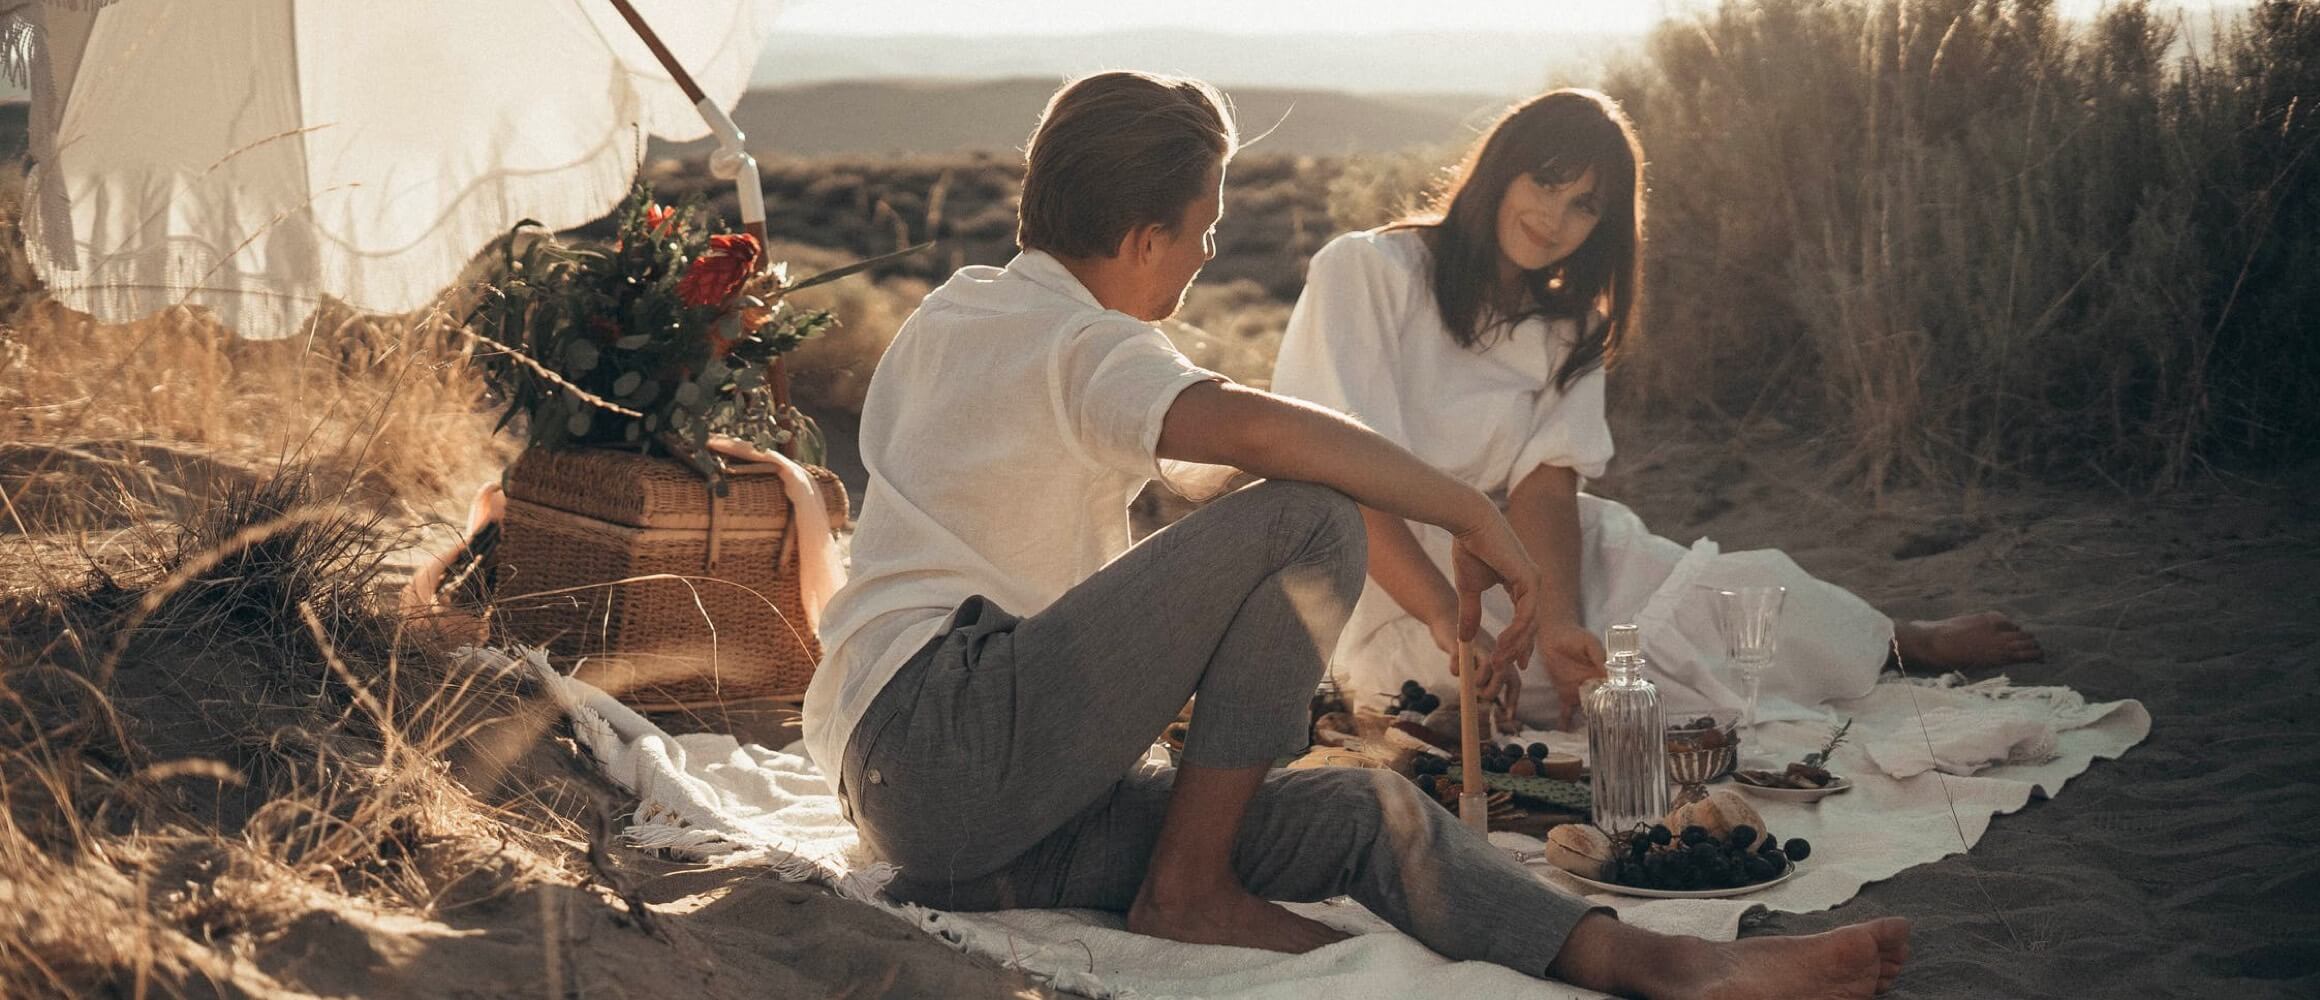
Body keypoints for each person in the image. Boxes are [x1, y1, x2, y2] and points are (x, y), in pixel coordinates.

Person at [803, 71, 1910, 996]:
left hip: (968, 818)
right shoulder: (1077, 342)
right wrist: (1466, 508)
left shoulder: (959, 310)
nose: (1204, 257)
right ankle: (1189, 891)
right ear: (1144, 238)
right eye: (1203, 231)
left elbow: (1200, 471)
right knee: (1308, 516)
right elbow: (1262, 442)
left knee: (1358, 808)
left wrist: (1440, 590)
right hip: (947, 740)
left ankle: (1655, 964)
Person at [1271, 89, 2043, 732]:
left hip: (1532, 561)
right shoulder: (1369, 270)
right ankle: (1866, 649)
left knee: (1713, 606)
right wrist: (1447, 615)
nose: (1555, 217)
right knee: (1521, 687)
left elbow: (1545, 489)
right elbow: (1341, 472)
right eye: (1545, 181)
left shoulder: (1568, 325)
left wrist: (1558, 617)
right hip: (1383, 572)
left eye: (1584, 207)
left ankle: (1894, 641)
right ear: (1501, 169)